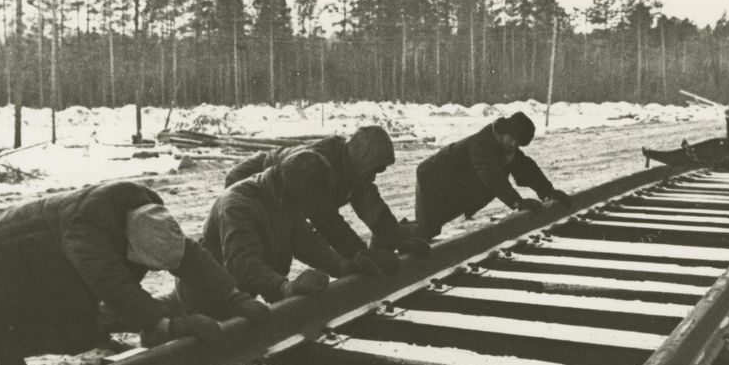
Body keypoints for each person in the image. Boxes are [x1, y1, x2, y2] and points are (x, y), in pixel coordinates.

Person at [0, 182, 270, 365]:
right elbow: (112, 283)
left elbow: (190, 256)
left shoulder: (148, 216)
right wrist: (169, 323)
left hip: (57, 264)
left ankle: (92, 335)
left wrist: (234, 297)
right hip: (7, 254)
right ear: (128, 244)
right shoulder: (89, 230)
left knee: (78, 331)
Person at [223, 125, 428, 267]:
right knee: (256, 252)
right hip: (248, 184)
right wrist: (361, 254)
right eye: (373, 169)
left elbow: (373, 209)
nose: (373, 176)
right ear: (363, 158)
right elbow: (327, 221)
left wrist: (401, 241)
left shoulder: (353, 167)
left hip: (280, 194)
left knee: (283, 244)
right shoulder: (317, 166)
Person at [204, 149, 386, 302]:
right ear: (287, 193)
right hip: (207, 298)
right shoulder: (238, 204)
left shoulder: (283, 193)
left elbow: (306, 241)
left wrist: (341, 265)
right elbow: (242, 264)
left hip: (237, 297)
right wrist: (284, 286)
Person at [411, 112, 569, 240]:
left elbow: (527, 170)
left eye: (519, 144)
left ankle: (398, 236)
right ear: (505, 132)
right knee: (427, 229)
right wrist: (517, 202)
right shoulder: (483, 145)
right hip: (433, 177)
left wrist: (548, 192)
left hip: (454, 183)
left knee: (429, 227)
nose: (514, 145)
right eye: (513, 140)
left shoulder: (505, 147)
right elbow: (492, 176)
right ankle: (391, 239)